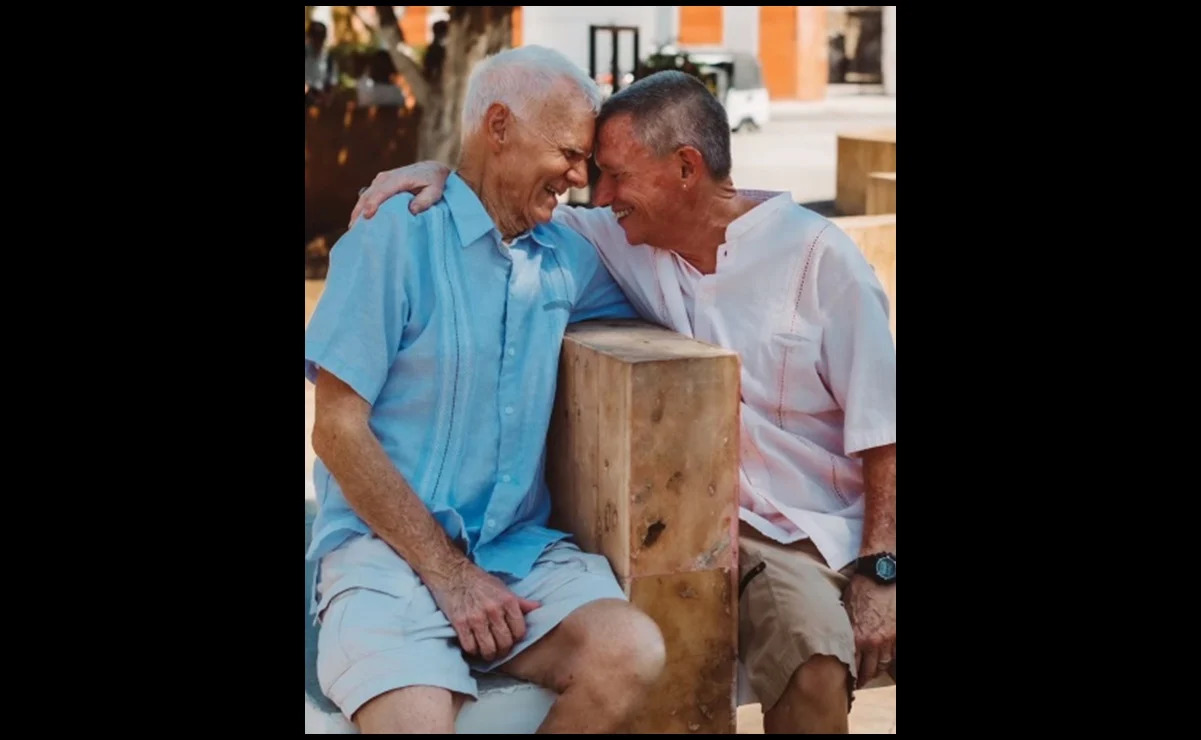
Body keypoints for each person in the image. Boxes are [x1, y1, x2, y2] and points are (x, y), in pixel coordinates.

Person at [350, 69, 897, 735]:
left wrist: (881, 571)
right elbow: (506, 192)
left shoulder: (819, 258)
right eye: (589, 169)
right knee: (812, 655)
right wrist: (438, 168)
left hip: (847, 523)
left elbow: (883, 427)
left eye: (613, 174)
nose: (596, 192)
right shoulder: (620, 240)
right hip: (758, 536)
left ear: (686, 167)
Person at [306, 45, 665, 734]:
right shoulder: (391, 239)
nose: (580, 176)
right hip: (385, 553)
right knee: (413, 722)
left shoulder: (568, 253)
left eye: (586, 160)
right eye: (568, 151)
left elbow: (691, 251)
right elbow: (336, 430)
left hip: (517, 551)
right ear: (497, 126)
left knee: (631, 651)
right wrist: (448, 575)